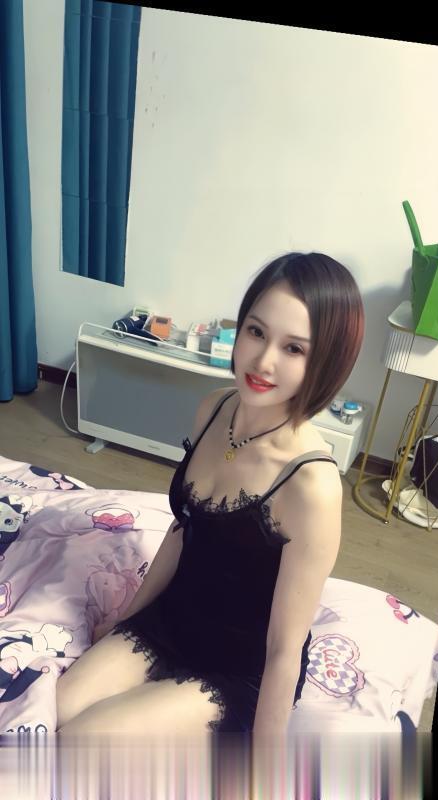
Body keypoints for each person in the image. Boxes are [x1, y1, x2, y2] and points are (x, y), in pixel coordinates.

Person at [55, 252, 364, 738]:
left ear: (325, 363)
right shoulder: (214, 408)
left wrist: (264, 769)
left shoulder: (312, 485)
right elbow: (185, 530)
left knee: (84, 738)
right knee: (58, 708)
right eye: (256, 332)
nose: (263, 361)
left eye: (294, 349)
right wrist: (128, 619)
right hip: (175, 617)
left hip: (240, 664)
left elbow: (284, 648)